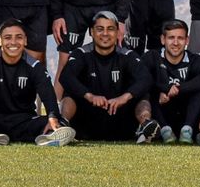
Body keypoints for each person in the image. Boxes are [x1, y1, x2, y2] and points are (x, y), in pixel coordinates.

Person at [0, 19, 76, 146]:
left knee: (57, 121)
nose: (13, 42)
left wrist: (52, 117)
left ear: (25, 40)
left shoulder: (35, 66)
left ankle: (48, 137)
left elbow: (47, 94)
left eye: (18, 37)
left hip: (23, 120)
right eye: (7, 38)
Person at [59, 12, 158, 143]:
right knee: (70, 92)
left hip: (121, 122)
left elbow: (146, 79)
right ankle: (61, 127)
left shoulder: (127, 55)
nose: (105, 33)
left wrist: (124, 97)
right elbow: (65, 77)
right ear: (91, 32)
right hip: (87, 122)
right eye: (100, 29)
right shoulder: (81, 54)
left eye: (110, 29)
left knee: (142, 93)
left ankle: (145, 126)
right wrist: (90, 96)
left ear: (117, 32)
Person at [141, 20, 200, 144]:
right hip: (162, 114)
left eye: (180, 38)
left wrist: (179, 89)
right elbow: (141, 80)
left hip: (186, 116)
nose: (175, 43)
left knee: (199, 89)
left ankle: (188, 131)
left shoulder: (195, 59)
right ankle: (164, 131)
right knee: (148, 90)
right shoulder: (152, 57)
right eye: (171, 38)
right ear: (163, 39)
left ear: (187, 40)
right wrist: (163, 89)